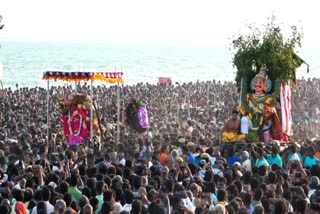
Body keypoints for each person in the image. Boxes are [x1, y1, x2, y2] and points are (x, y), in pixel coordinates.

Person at [240, 65, 283, 142]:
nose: (257, 84)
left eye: (260, 83)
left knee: (266, 125)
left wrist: (278, 82)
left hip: (264, 119)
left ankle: (266, 141)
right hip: (250, 118)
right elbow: (245, 104)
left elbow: (272, 105)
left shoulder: (268, 97)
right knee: (244, 120)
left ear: (265, 86)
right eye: (256, 82)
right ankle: (244, 139)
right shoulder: (248, 96)